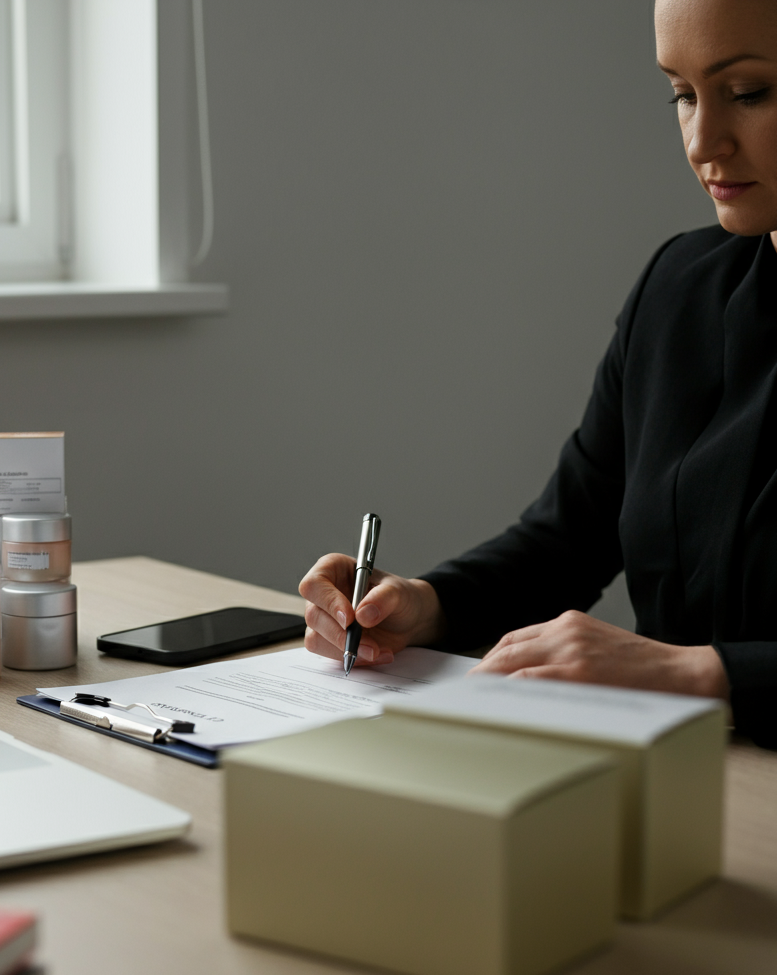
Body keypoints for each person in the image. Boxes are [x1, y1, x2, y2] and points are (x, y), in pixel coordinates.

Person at [299, 0, 777, 749]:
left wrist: (703, 675)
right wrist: (427, 604)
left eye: (748, 92)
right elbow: (567, 540)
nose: (701, 140)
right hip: (669, 776)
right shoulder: (678, 287)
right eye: (682, 94)